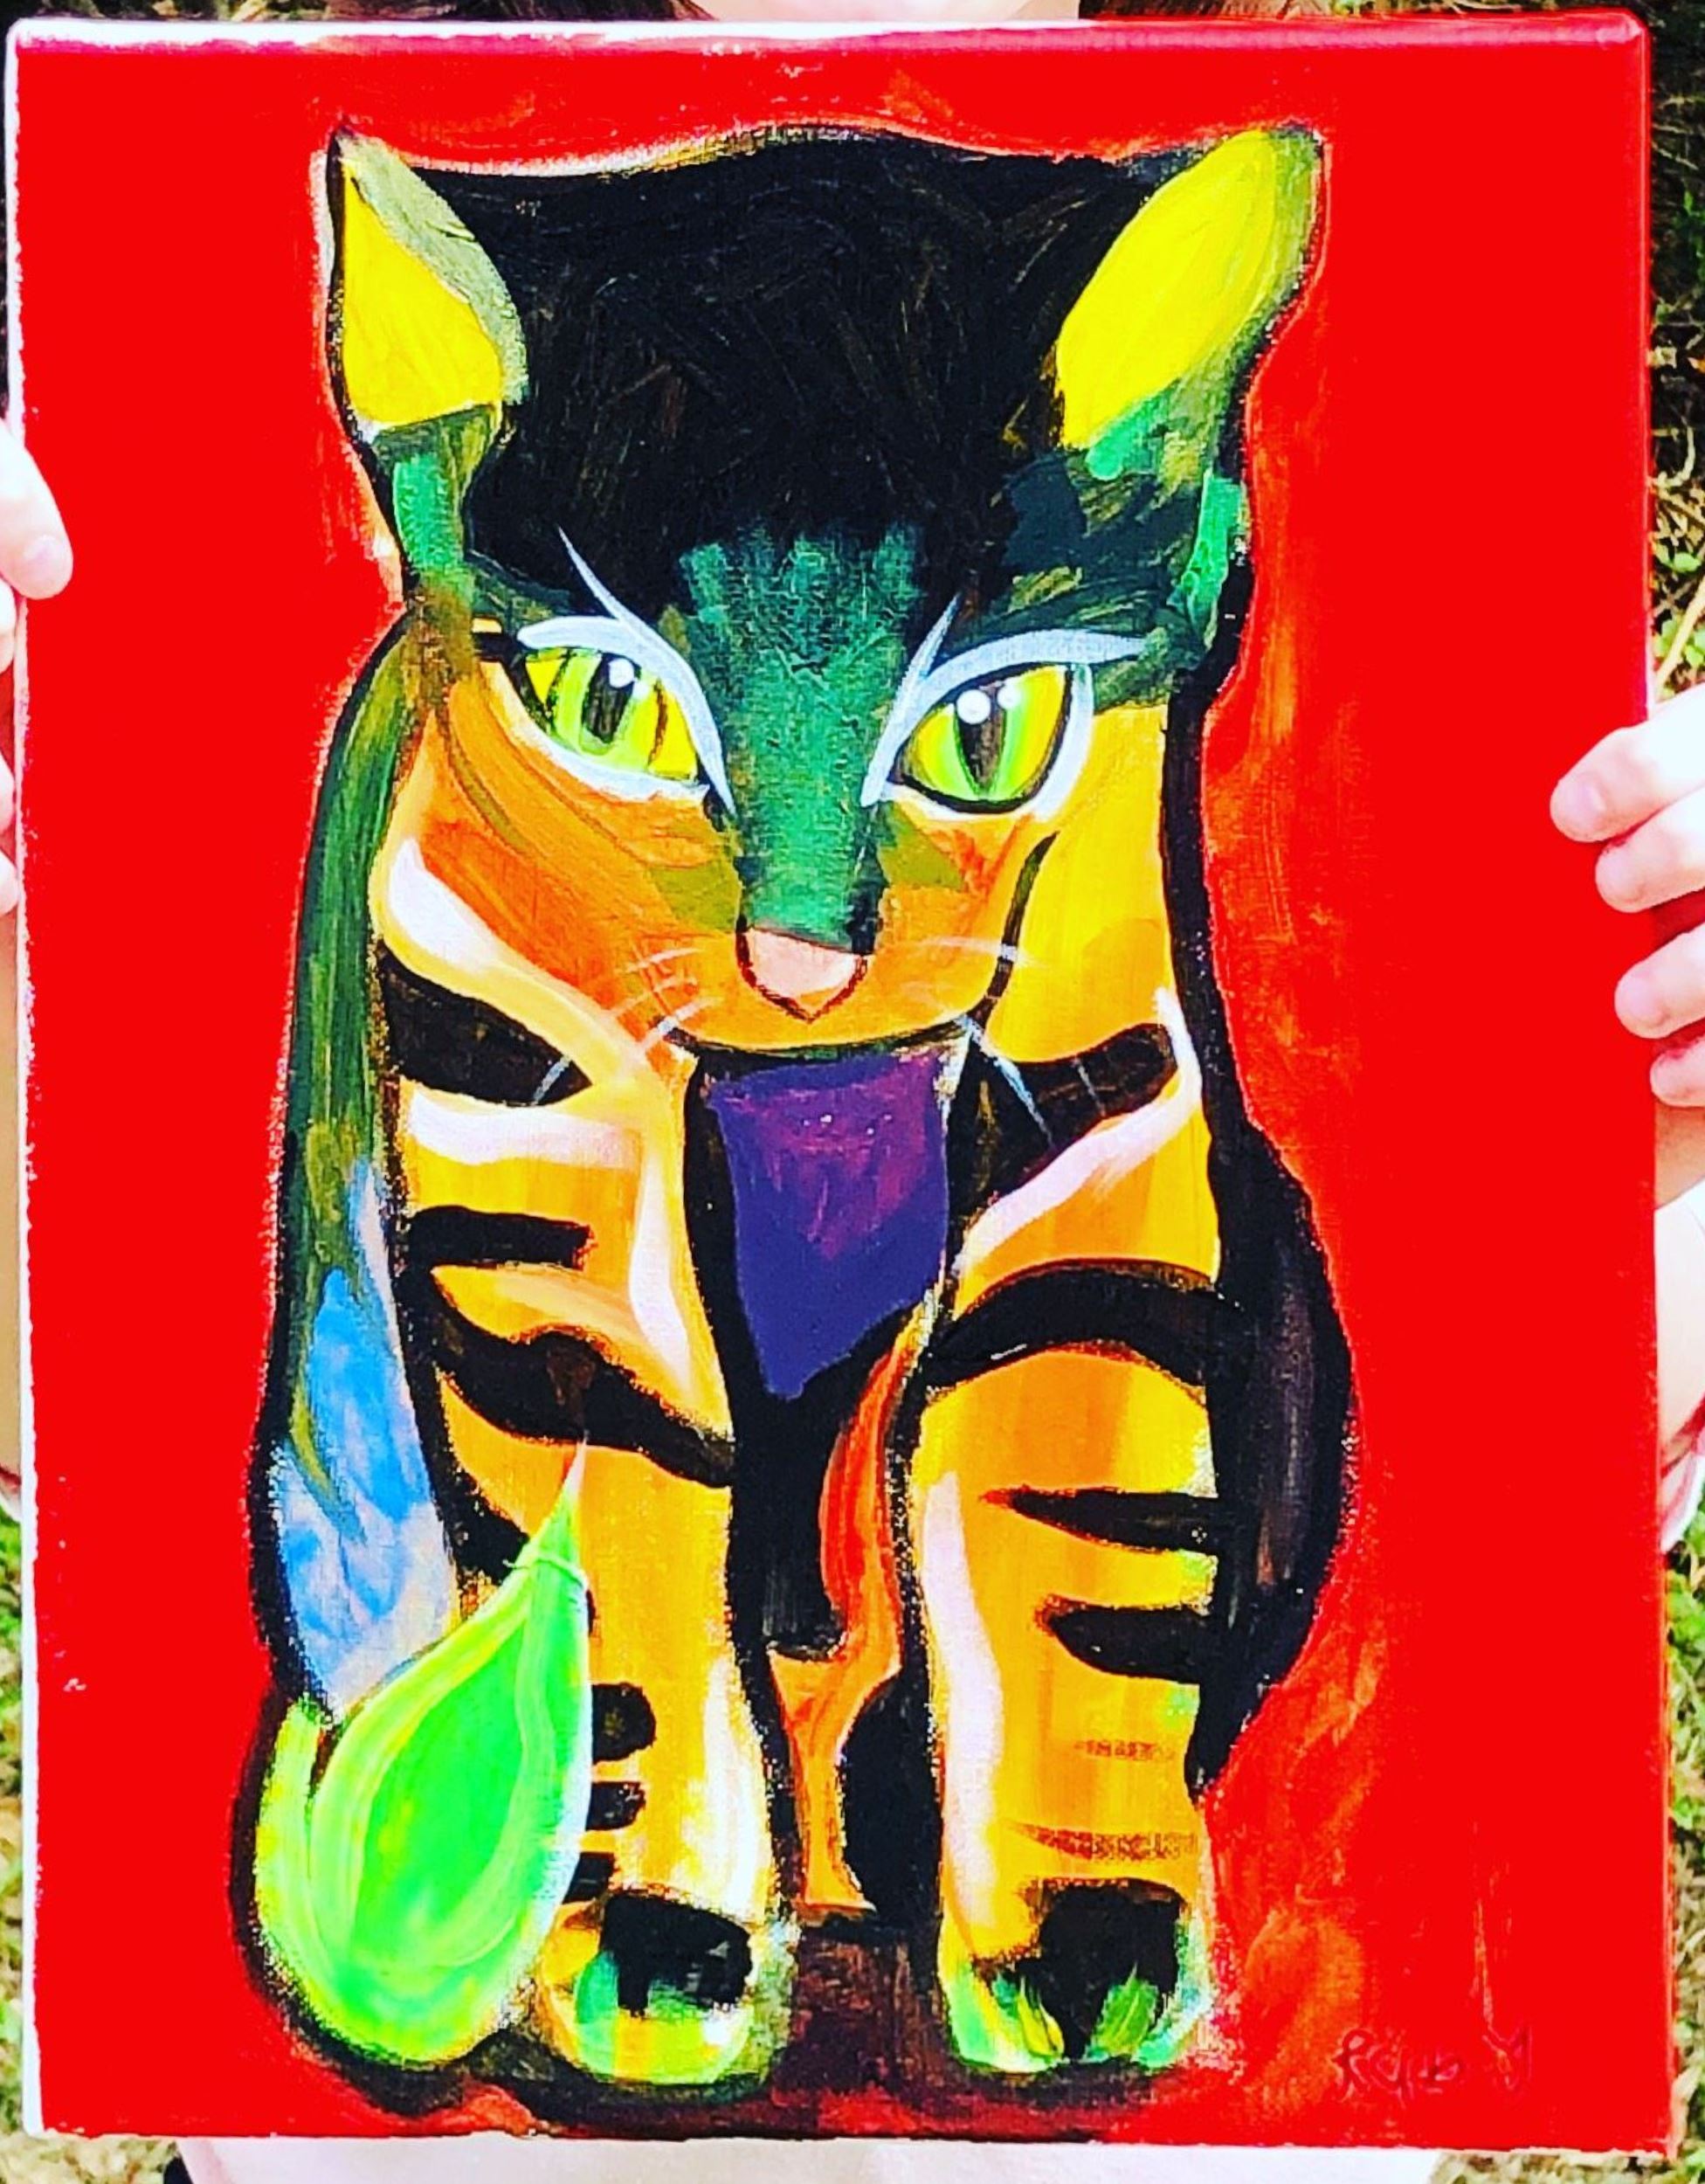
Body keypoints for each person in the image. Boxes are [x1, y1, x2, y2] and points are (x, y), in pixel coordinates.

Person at [3, 0, 1697, 2176]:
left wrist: (1664, 1139)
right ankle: (651, 1837)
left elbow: (1468, 1422)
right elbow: (147, 1383)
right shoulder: (417, 702)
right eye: (619, 713)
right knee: (542, 1308)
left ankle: (1067, 1824)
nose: (803, 951)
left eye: (979, 739)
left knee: (1105, 1258)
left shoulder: (1124, 681)